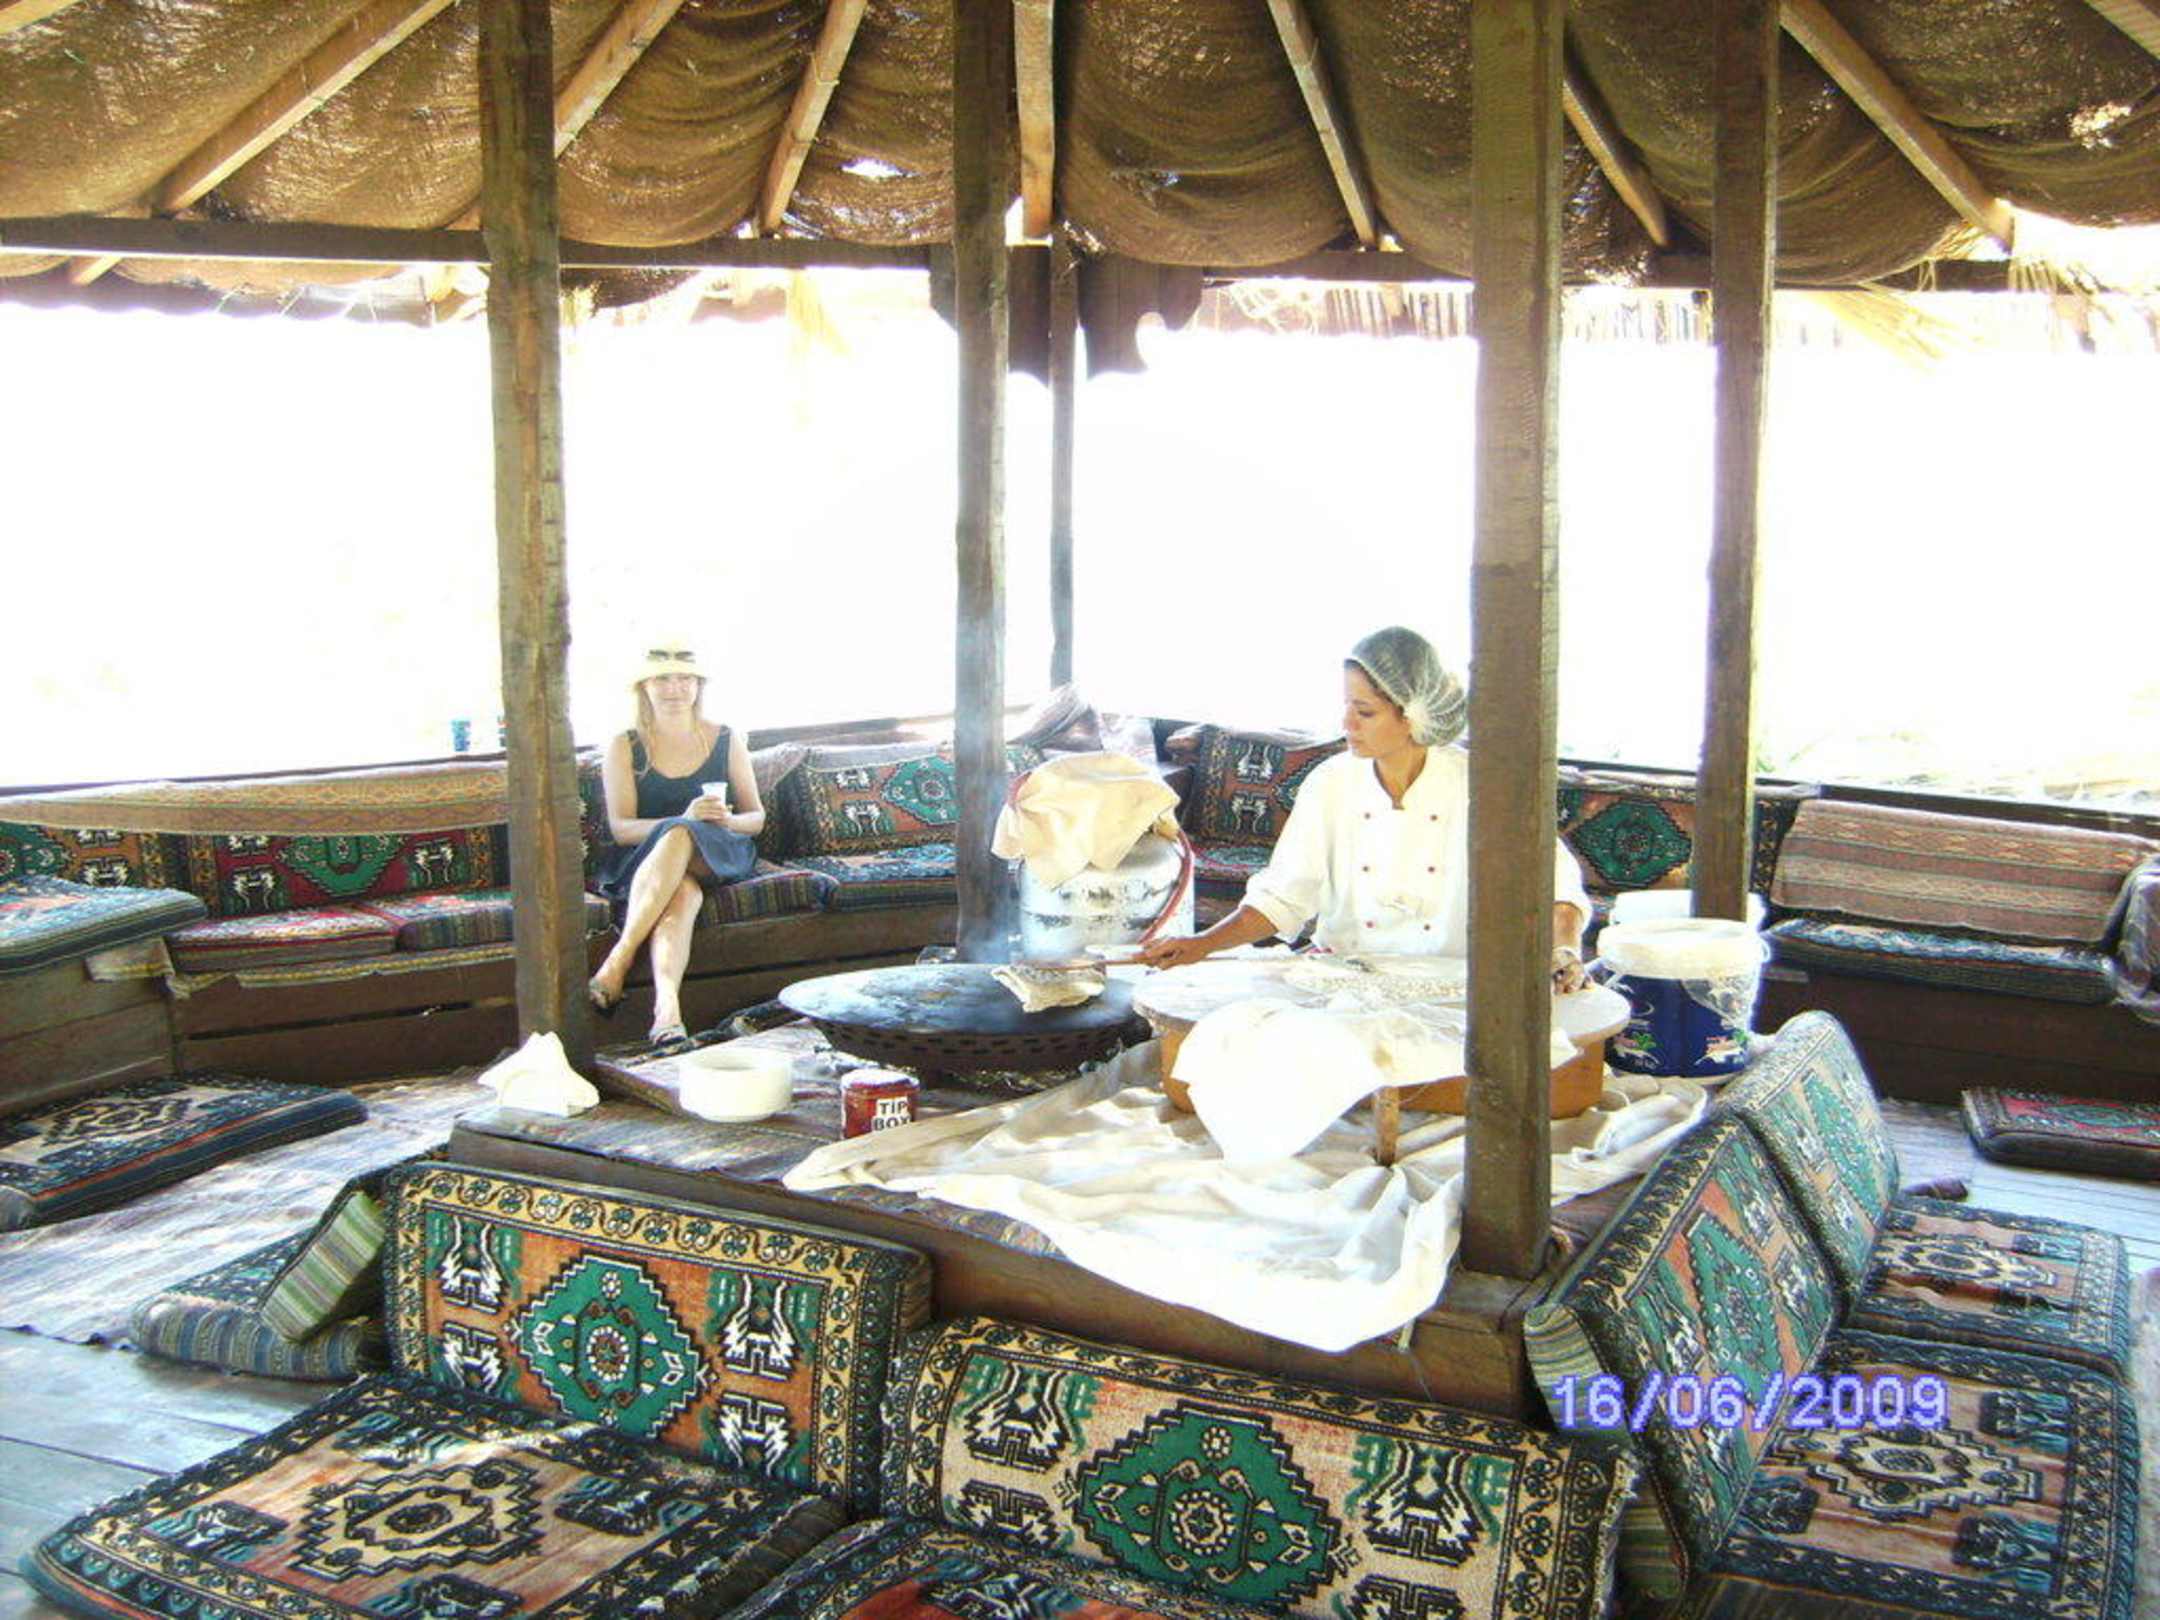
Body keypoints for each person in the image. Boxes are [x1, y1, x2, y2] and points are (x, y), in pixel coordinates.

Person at [1136, 626, 1591, 987]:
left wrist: (1564, 951)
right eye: (1346, 706)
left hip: (1453, 987)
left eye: (1365, 711)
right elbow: (1283, 898)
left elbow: (1555, 885)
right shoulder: (1331, 783)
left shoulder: (1481, 787)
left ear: (1413, 714)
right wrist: (1202, 944)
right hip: (1346, 980)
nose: (1347, 723)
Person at [587, 645, 765, 1051]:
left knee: (683, 834)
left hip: (717, 852)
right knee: (682, 889)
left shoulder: (725, 738)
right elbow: (621, 829)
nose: (674, 688)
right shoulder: (624, 745)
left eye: (685, 678)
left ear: (698, 686)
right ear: (644, 687)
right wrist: (681, 819)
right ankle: (667, 1013)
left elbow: (756, 818)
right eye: (662, 679)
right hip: (646, 860)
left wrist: (723, 821)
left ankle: (619, 957)